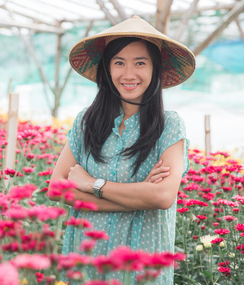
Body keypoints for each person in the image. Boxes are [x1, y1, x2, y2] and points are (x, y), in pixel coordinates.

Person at [49, 16, 196, 284]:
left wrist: (91, 184)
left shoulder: (169, 125)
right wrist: (138, 198)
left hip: (141, 266)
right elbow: (56, 188)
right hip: (87, 261)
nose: (129, 74)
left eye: (140, 63)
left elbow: (162, 196)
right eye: (119, 63)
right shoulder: (86, 121)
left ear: (156, 69)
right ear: (107, 69)